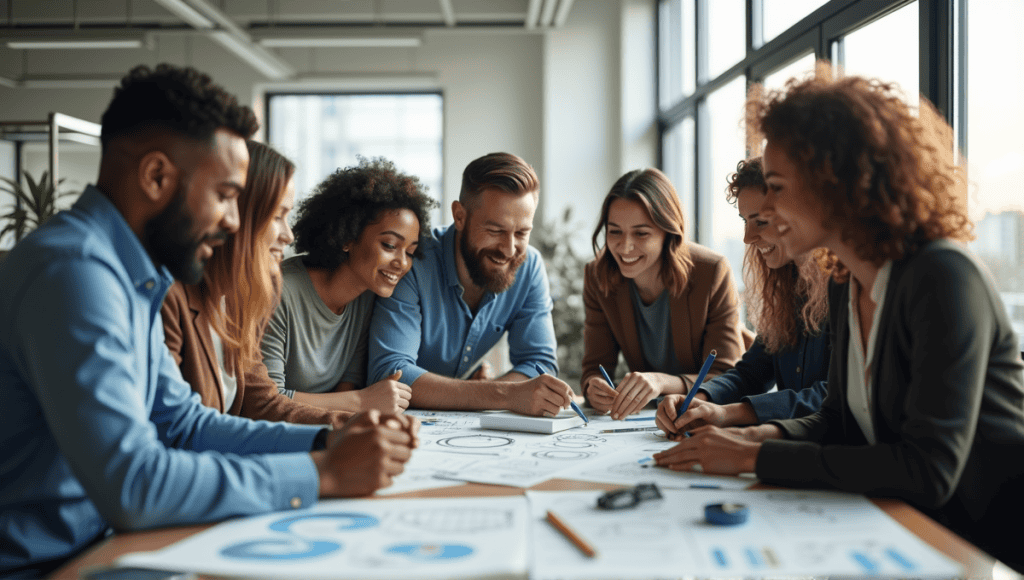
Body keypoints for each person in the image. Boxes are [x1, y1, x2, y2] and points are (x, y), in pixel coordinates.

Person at [0, 64, 417, 578]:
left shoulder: (130, 273)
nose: (236, 222)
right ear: (156, 176)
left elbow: (184, 423)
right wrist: (321, 473)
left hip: (102, 546)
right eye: (223, 195)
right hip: (47, 565)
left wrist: (325, 440)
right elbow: (134, 485)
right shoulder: (73, 273)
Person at [652, 65, 1024, 572]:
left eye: (779, 186)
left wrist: (753, 458)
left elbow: (929, 469)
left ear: (836, 183)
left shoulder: (942, 276)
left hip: (974, 547)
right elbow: (838, 423)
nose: (771, 207)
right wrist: (752, 437)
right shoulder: (845, 281)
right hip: (892, 526)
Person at [367, 152, 575, 417]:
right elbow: (392, 374)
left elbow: (539, 363)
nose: (509, 249)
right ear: (460, 216)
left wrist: (484, 393)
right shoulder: (412, 260)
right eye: (496, 230)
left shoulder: (529, 265)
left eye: (522, 232)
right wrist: (505, 394)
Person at [161, 140, 351, 426]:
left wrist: (347, 425)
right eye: (277, 216)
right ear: (238, 215)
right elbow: (182, 430)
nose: (288, 235)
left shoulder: (240, 302)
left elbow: (263, 404)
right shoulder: (171, 297)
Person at [656, 158, 830, 437]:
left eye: (761, 221)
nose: (748, 238)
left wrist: (730, 414)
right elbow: (752, 372)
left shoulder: (848, 288)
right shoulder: (786, 289)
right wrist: (701, 400)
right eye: (745, 221)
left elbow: (837, 397)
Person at [259, 158, 438, 415]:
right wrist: (363, 401)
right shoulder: (279, 291)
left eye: (410, 252)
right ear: (347, 237)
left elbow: (347, 386)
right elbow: (268, 399)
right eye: (389, 245)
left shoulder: (366, 297)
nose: (402, 263)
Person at [580, 168, 749, 420]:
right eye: (615, 231)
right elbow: (596, 366)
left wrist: (662, 382)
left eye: (641, 233)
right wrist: (594, 388)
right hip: (654, 417)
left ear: (668, 232)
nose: (625, 246)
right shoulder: (598, 274)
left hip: (709, 411)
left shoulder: (711, 271)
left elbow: (726, 375)